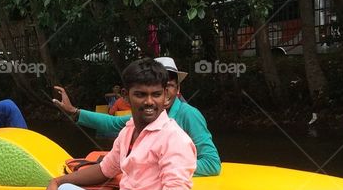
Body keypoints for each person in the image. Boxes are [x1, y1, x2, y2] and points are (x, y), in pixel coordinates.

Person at [26, 59, 197, 190]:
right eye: (140, 95)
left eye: (156, 94)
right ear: (125, 96)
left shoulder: (174, 138)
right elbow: (104, 169)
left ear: (165, 95)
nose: (149, 102)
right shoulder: (129, 129)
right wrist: (57, 181)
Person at [52, 56, 221, 176]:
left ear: (178, 90)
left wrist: (162, 167)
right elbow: (113, 123)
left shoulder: (189, 114)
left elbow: (212, 164)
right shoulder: (149, 115)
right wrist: (75, 112)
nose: (165, 92)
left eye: (169, 86)